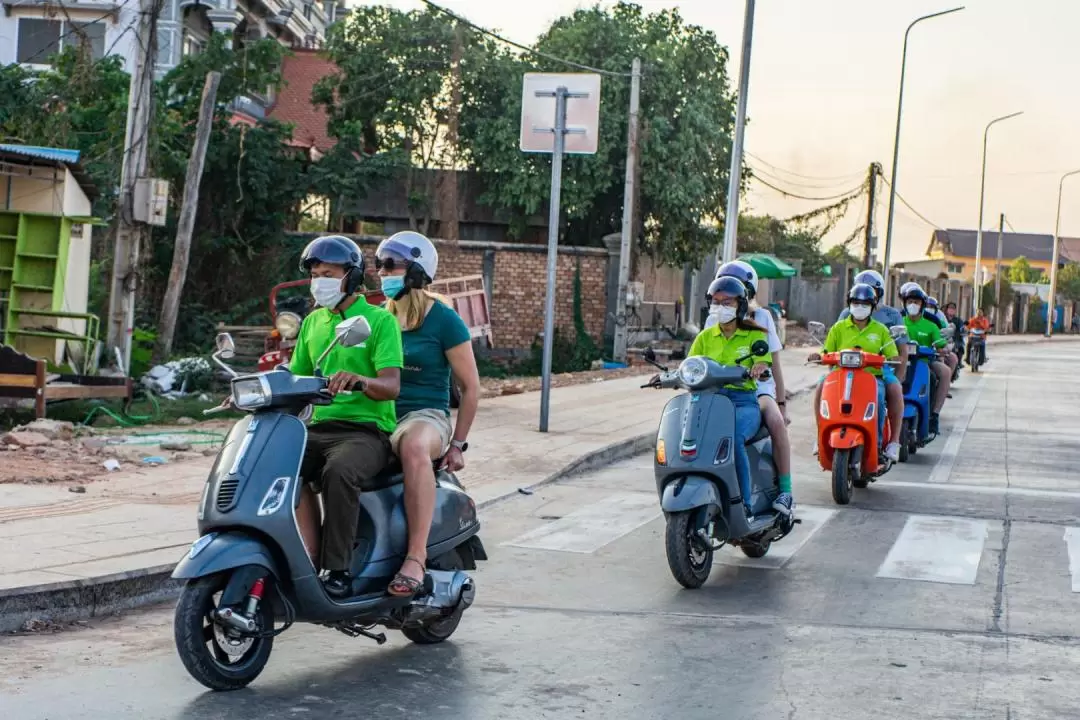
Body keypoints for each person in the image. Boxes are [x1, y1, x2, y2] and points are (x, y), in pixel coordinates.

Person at [290, 235, 404, 598]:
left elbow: (391, 385)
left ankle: (337, 569)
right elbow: (297, 378)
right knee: (272, 464)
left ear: (351, 277)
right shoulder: (312, 323)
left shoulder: (378, 321)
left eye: (327, 273)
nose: (318, 281)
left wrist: (361, 380)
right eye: (314, 274)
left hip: (366, 432)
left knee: (338, 471)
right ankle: (300, 555)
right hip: (317, 427)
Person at [374, 231, 481, 597]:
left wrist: (458, 445)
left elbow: (471, 387)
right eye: (379, 265)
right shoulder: (378, 319)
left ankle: (415, 558)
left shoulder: (444, 320)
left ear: (417, 272)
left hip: (425, 415)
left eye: (391, 265)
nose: (382, 273)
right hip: (380, 415)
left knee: (415, 448)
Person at [688, 277, 784, 515]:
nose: (721, 307)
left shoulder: (754, 336)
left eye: (727, 302)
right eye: (716, 302)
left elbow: (764, 362)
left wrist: (760, 369)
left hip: (743, 403)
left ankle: (743, 502)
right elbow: (690, 364)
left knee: (732, 437)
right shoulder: (705, 337)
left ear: (740, 305)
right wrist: (668, 376)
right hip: (709, 401)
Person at [707, 261, 794, 515]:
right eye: (721, 296)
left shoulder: (762, 318)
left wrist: (781, 403)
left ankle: (786, 492)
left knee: (776, 423)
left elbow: (774, 364)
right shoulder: (713, 320)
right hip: (719, 389)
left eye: (735, 293)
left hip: (756, 388)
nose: (726, 301)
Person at [809, 283, 901, 459]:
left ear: (872, 307)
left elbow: (891, 354)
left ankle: (881, 445)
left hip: (872, 377)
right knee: (821, 388)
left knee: (879, 398)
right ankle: (820, 436)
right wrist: (817, 356)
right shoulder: (838, 328)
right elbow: (826, 352)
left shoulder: (880, 330)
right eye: (856, 303)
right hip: (840, 374)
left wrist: (893, 358)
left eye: (865, 304)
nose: (860, 307)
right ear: (849, 304)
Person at [830, 269, 906, 460]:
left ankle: (888, 443)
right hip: (844, 369)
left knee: (891, 391)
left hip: (878, 370)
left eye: (869, 294)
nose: (862, 299)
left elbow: (900, 350)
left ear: (877, 295)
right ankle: (822, 434)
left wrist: (898, 370)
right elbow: (831, 346)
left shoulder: (890, 317)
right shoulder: (845, 316)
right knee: (822, 387)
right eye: (858, 297)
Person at [900, 285, 950, 435]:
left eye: (916, 302)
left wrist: (943, 348)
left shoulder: (931, 325)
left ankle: (934, 414)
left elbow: (941, 344)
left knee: (945, 372)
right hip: (899, 361)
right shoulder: (899, 322)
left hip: (923, 362)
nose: (913, 305)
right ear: (904, 303)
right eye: (909, 302)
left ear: (922, 305)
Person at [943, 302, 966, 367]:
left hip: (955, 339)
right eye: (950, 308)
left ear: (955, 310)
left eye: (953, 308)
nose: (951, 309)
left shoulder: (958, 320)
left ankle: (959, 363)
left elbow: (962, 328)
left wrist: (963, 330)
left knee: (960, 347)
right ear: (946, 309)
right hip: (943, 339)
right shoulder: (943, 318)